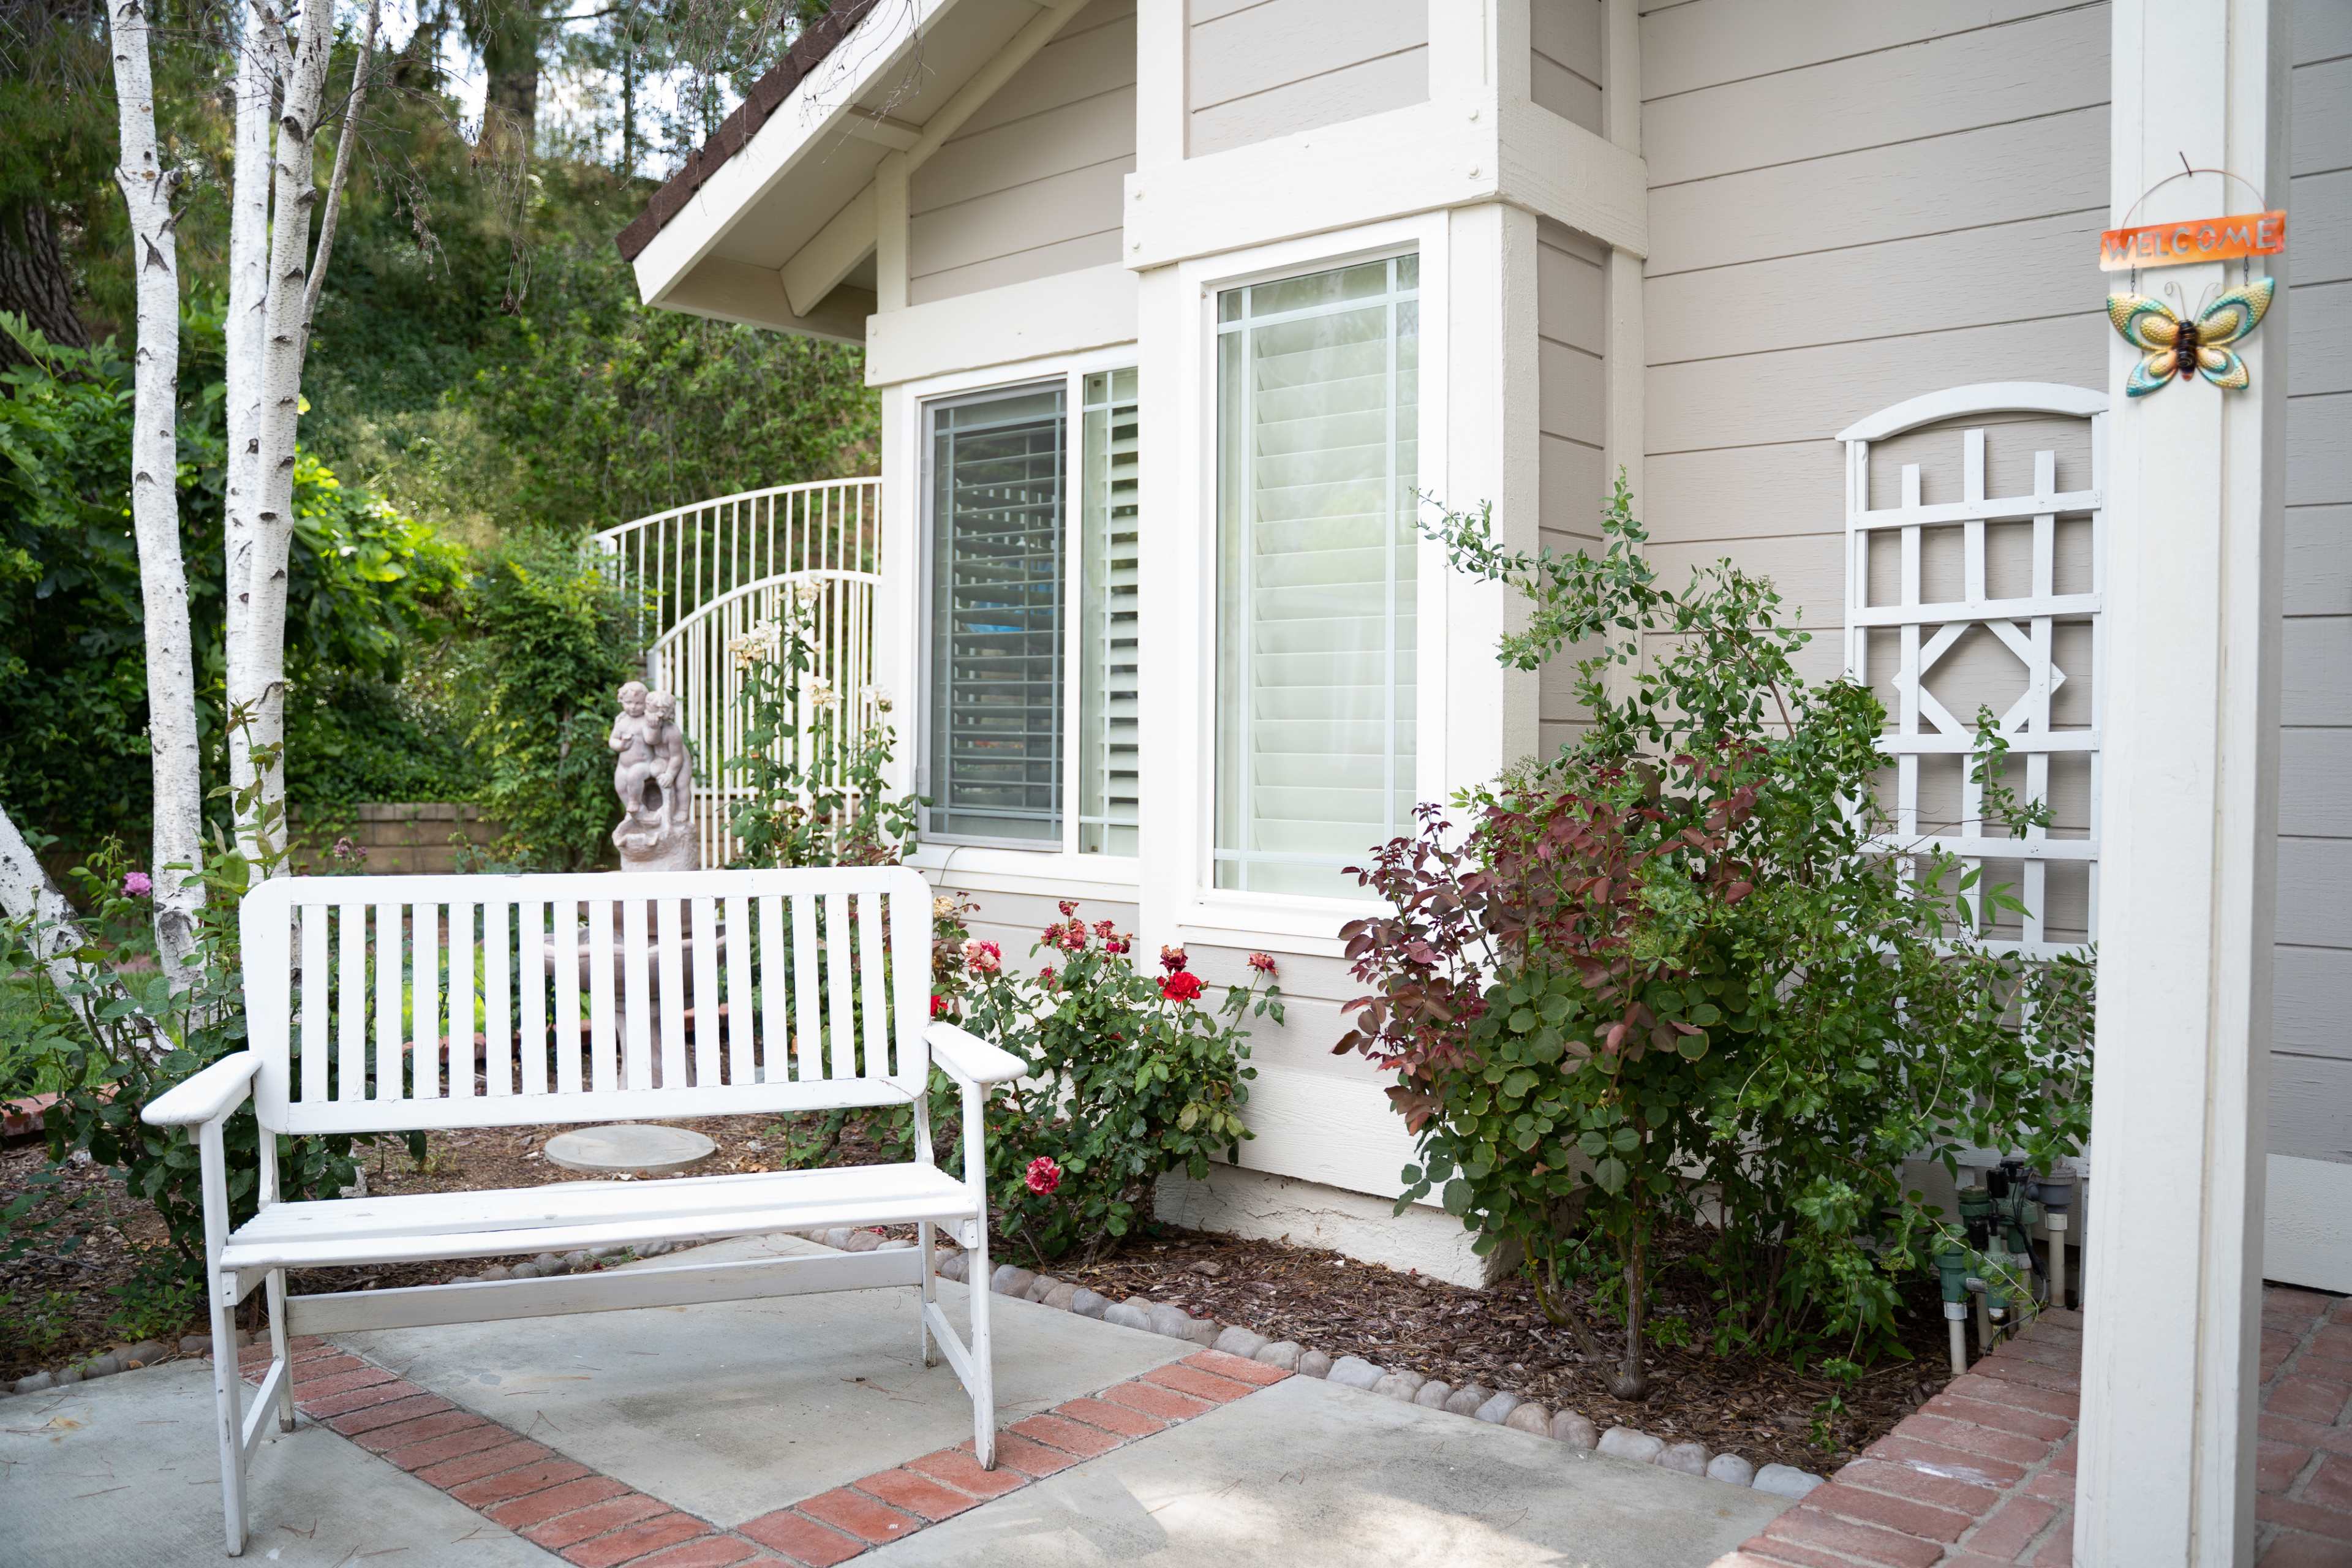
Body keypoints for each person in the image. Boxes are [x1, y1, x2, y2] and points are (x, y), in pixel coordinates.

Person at [609, 681, 658, 820]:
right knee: (620, 786)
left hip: (644, 763)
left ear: (646, 704)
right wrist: (621, 745)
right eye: (629, 702)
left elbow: (653, 741)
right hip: (623, 765)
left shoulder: (646, 720)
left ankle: (635, 803)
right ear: (622, 701)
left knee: (634, 776)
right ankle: (633, 814)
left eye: (638, 703)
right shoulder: (621, 720)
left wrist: (654, 728)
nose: (633, 707)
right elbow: (612, 740)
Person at [646, 692, 693, 828]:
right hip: (661, 758)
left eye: (662, 712)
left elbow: (677, 757)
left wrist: (670, 775)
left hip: (680, 760)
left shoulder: (672, 732)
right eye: (654, 711)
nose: (657, 716)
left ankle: (683, 810)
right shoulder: (648, 725)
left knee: (682, 785)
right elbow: (650, 740)